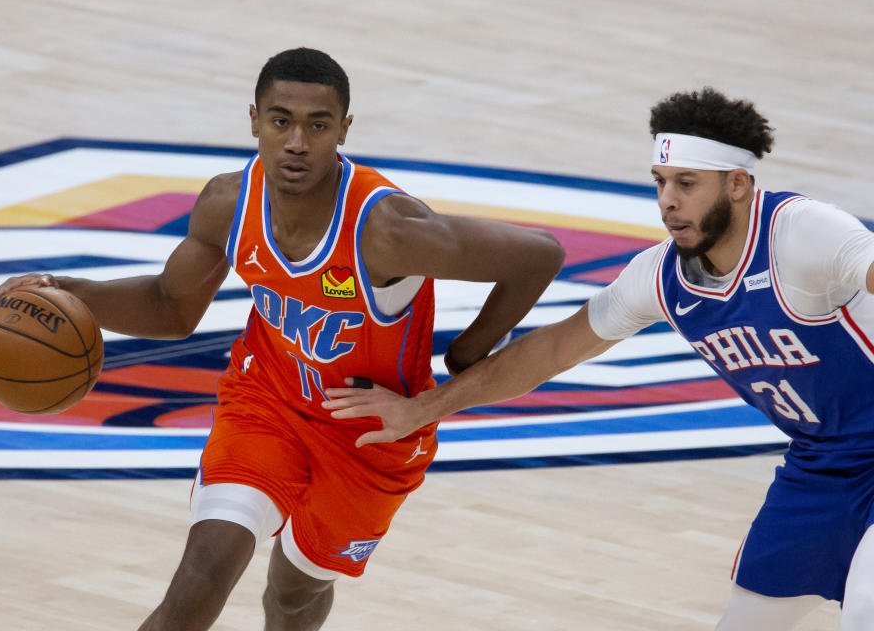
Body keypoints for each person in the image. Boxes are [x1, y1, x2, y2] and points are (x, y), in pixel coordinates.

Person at [0, 47, 565, 630]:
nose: (298, 143)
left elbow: (541, 256)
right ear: (254, 120)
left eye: (318, 125)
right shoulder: (227, 203)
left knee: (295, 593)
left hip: (369, 436)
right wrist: (63, 289)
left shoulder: (388, 230)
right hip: (268, 402)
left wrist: (465, 355)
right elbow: (169, 307)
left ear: (344, 130)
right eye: (281, 121)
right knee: (201, 575)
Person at [325, 87, 874, 630]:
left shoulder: (803, 235)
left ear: (737, 184)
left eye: (687, 184)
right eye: (660, 183)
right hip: (822, 464)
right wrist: (423, 408)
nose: (667, 201)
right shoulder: (660, 277)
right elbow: (550, 350)